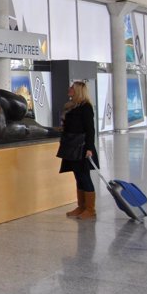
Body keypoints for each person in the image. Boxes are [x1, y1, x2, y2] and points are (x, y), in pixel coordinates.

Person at [59, 81, 98, 220]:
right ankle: (81, 206)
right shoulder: (71, 106)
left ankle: (90, 209)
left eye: (72, 88)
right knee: (77, 176)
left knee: (84, 176)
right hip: (71, 145)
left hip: (81, 147)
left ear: (77, 91)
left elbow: (90, 129)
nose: (69, 89)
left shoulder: (86, 107)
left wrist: (89, 148)